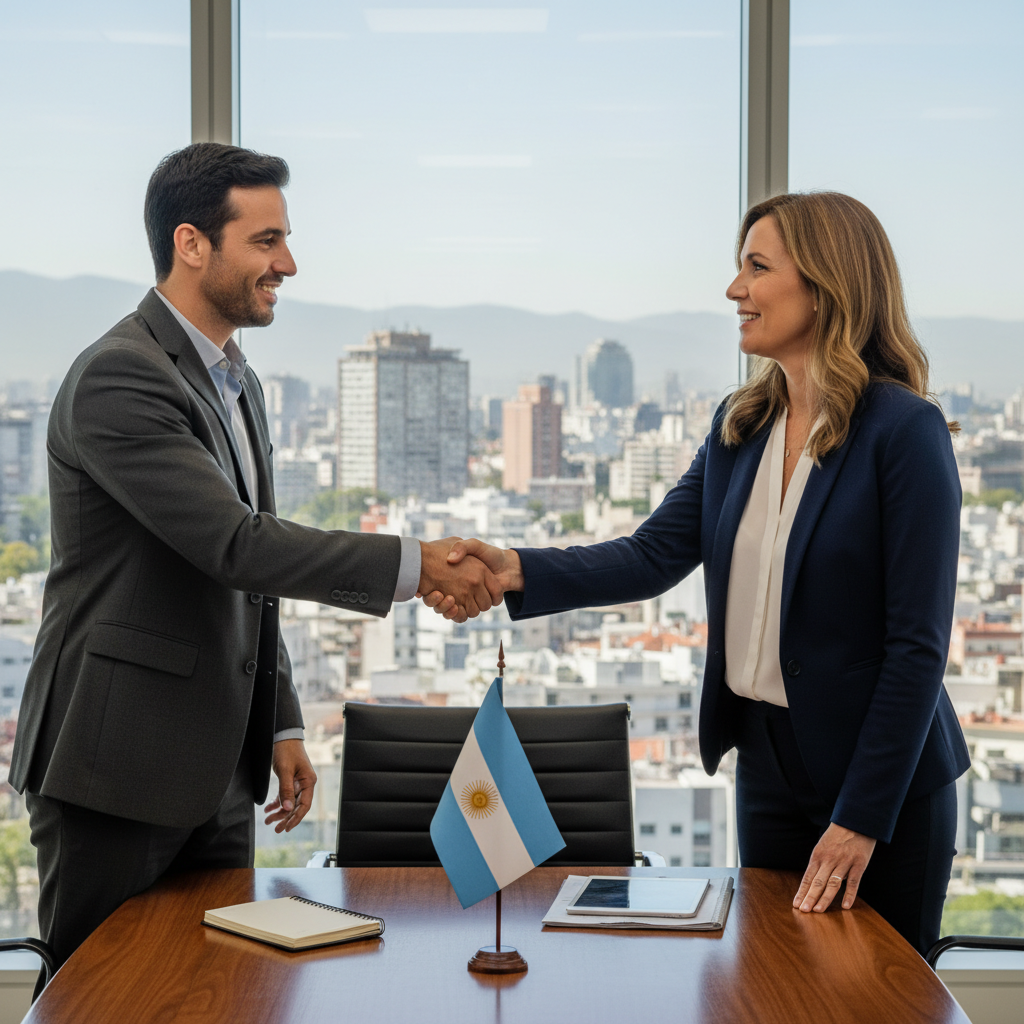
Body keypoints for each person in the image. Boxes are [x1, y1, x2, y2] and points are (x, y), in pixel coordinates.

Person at [430, 191, 971, 955]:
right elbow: (651, 555)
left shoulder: (903, 432)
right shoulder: (740, 424)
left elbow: (918, 648)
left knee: (874, 995)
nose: (734, 290)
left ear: (825, 284)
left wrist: (860, 818)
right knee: (776, 984)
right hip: (769, 767)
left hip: (883, 784)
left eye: (757, 267)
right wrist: (513, 567)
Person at [11, 142, 498, 983]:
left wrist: (279, 719)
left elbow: (246, 576)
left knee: (217, 992)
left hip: (216, 770)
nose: (289, 263)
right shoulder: (120, 377)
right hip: (117, 767)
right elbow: (235, 543)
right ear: (191, 243)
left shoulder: (236, 380)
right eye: (266, 241)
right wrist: (420, 566)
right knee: (105, 995)